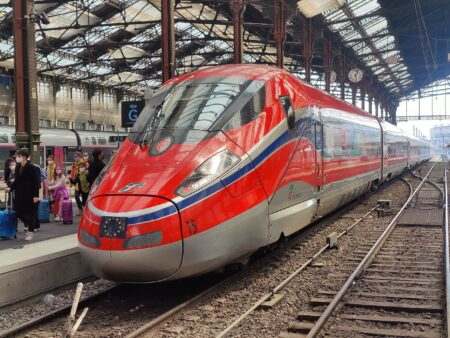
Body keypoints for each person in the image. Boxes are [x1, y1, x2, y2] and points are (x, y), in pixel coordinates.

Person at [6, 148, 40, 241]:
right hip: (19, 194)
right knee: (19, 212)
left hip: (29, 195)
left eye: (19, 156)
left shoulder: (32, 168)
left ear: (24, 157)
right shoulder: (17, 167)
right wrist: (11, 188)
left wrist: (36, 196)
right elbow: (17, 180)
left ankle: (30, 232)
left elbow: (36, 183)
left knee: (30, 214)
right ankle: (28, 224)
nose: (17, 158)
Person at [69, 152, 85, 216]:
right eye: (74, 157)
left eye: (76, 156)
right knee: (76, 196)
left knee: (84, 198)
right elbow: (72, 173)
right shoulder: (74, 164)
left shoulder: (84, 163)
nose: (75, 158)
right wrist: (71, 181)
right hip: (77, 183)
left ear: (80, 156)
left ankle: (84, 210)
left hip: (84, 183)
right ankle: (80, 210)